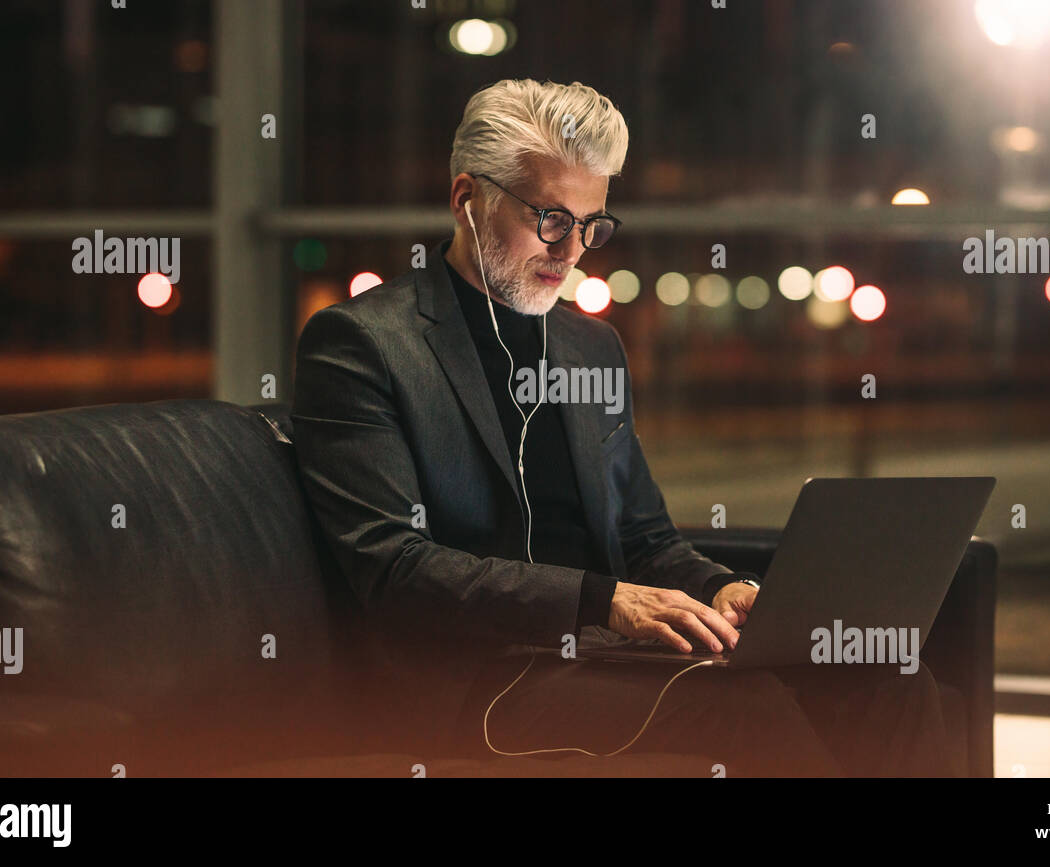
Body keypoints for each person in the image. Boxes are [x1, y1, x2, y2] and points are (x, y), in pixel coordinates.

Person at [291, 78, 967, 775]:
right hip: (477, 683)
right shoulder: (362, 344)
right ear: (466, 199)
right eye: (551, 218)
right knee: (745, 706)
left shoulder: (592, 348)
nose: (573, 249)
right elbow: (394, 569)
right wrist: (602, 600)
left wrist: (720, 588)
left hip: (602, 657)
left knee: (888, 678)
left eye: (592, 224)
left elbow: (645, 537)